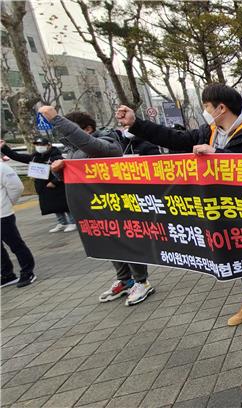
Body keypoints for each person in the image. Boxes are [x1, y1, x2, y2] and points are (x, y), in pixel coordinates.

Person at [116, 83, 242, 332]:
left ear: (221, 107)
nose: (204, 110)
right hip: (222, 207)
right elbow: (174, 138)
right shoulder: (208, 131)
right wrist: (136, 123)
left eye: (206, 106)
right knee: (238, 254)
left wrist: (217, 153)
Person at [41, 107, 156, 306]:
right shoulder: (74, 151)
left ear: (87, 129)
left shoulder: (108, 142)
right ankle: (125, 280)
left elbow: (92, 146)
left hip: (118, 204)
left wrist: (57, 119)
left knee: (126, 241)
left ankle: (141, 281)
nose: (69, 136)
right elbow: (74, 179)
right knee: (108, 242)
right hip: (95, 207)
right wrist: (59, 172)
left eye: (73, 130)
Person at [0, 137, 76, 232]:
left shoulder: (56, 157)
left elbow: (65, 172)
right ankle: (62, 223)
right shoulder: (35, 157)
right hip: (44, 186)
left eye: (42, 145)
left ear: (49, 145)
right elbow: (17, 156)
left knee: (64, 204)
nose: (39, 147)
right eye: (37, 145)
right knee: (53, 206)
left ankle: (72, 222)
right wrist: (4, 147)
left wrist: (54, 182)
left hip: (57, 186)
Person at [1, 161, 36, 288]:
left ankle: (28, 271)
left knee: (15, 244)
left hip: (3, 215)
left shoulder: (2, 168)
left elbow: (17, 188)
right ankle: (7, 274)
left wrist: (7, 203)